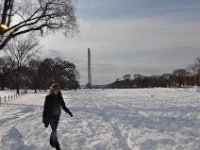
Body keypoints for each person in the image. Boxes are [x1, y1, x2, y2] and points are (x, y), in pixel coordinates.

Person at [43, 84, 73, 150]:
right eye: (55, 90)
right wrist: (45, 120)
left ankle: (51, 141)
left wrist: (69, 112)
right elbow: (45, 109)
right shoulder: (48, 97)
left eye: (57, 89)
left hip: (57, 116)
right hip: (50, 117)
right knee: (54, 130)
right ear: (52, 90)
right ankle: (57, 146)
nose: (56, 91)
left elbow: (63, 106)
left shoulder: (60, 97)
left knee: (54, 130)